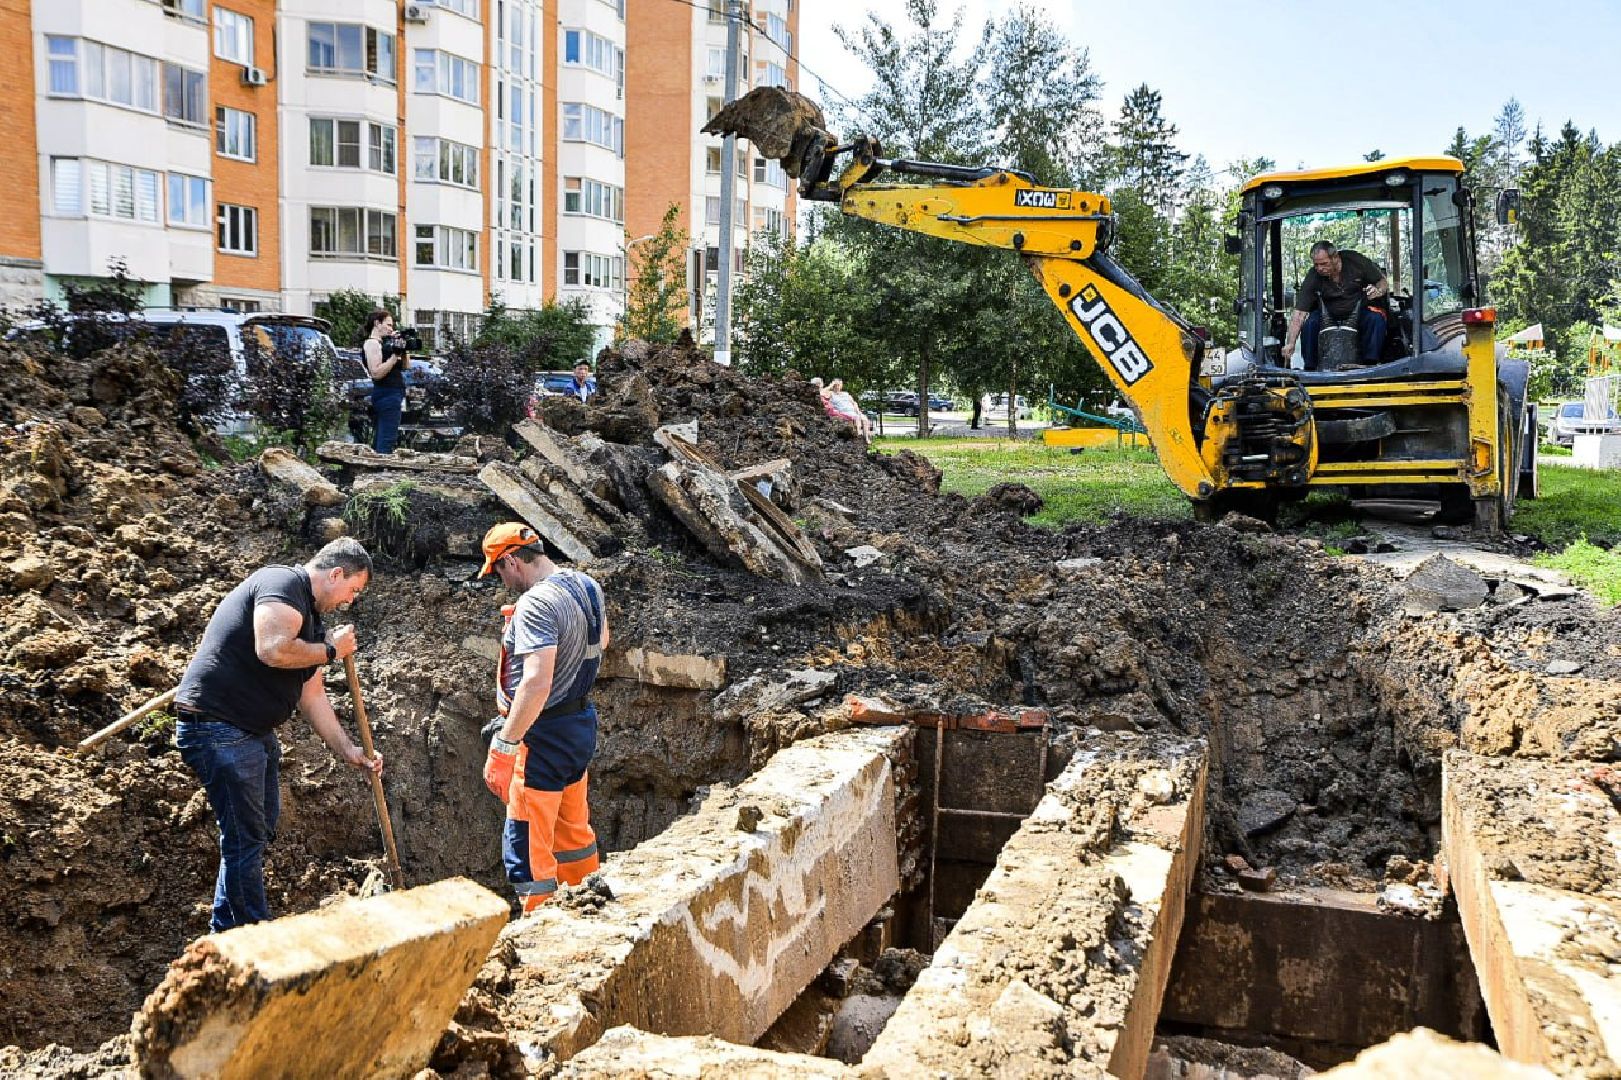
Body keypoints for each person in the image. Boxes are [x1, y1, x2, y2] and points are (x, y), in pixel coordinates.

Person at [173, 538, 381, 932]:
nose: (350, 601)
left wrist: (349, 750)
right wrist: (331, 651)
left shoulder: (313, 623)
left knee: (256, 830)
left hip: (250, 733)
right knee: (245, 836)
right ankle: (252, 933)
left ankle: (228, 928)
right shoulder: (281, 583)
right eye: (353, 589)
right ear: (336, 573)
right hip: (217, 727)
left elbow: (313, 695)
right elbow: (271, 648)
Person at [479, 523, 608, 911]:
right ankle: (587, 902)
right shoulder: (586, 585)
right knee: (572, 831)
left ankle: (540, 930)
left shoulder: (536, 604)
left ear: (511, 561)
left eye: (498, 570)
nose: (501, 580)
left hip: (542, 737)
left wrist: (504, 745)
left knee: (528, 842)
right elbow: (601, 642)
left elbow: (535, 684)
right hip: (578, 724)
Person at [1282, 241, 1390, 369]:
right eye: (1316, 265)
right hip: (1326, 315)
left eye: (1324, 264)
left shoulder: (1357, 262)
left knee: (1375, 318)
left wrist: (1378, 291)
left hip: (1358, 311)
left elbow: (1382, 281)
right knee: (1310, 324)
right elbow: (1299, 313)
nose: (1319, 268)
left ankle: (1370, 364)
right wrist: (1290, 343)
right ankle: (1310, 368)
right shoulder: (1313, 276)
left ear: (1336, 258)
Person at [361, 309, 411, 453]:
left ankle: (375, 469)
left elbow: (406, 366)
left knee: (384, 437)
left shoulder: (385, 345)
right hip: (386, 394)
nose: (391, 329)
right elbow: (376, 373)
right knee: (386, 439)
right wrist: (394, 356)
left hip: (394, 394)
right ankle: (381, 471)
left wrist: (403, 348)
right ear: (377, 323)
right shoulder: (372, 344)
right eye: (388, 325)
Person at [824, 378, 873, 445]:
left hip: (853, 411)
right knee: (857, 418)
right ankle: (858, 437)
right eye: (836, 385)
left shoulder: (845, 394)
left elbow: (854, 403)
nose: (837, 386)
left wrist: (858, 411)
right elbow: (821, 393)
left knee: (864, 419)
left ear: (841, 385)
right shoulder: (831, 394)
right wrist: (830, 385)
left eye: (839, 385)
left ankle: (866, 438)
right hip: (844, 412)